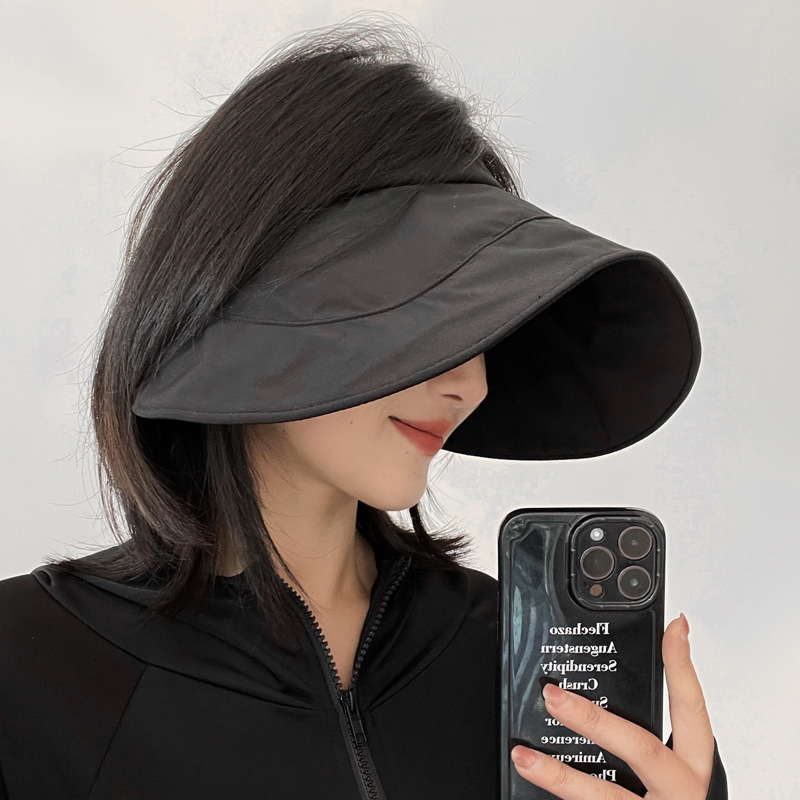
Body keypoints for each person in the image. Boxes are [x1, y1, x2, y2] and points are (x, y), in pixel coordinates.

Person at [0, 16, 726, 800]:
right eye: (424, 314)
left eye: (482, 326)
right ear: (255, 296)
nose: (471, 383)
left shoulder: (542, 681)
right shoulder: (26, 669)